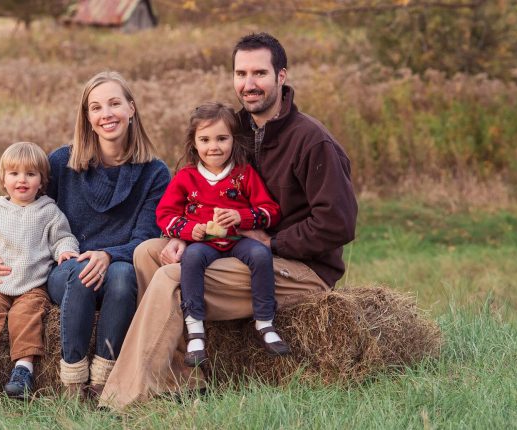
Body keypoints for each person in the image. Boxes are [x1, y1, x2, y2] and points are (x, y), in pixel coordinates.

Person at [100, 32, 358, 409]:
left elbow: (338, 224)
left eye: (259, 73)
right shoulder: (234, 129)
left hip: (298, 269)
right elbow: (195, 184)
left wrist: (273, 242)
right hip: (234, 248)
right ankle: (181, 379)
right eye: (240, 74)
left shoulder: (311, 141)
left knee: (172, 279)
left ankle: (126, 398)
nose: (248, 84)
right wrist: (186, 234)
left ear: (281, 76)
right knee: (147, 254)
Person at [0, 71, 171, 399]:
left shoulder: (154, 172)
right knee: (81, 273)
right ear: (87, 117)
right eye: (96, 107)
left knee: (124, 274)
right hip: (66, 268)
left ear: (131, 109)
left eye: (114, 104)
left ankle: (102, 380)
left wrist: (110, 254)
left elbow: (146, 237)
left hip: (119, 270)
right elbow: (24, 213)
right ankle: (72, 379)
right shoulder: (62, 162)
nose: (106, 114)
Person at [156, 101, 287, 367]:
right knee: (192, 259)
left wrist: (243, 217)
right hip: (204, 242)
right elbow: (164, 215)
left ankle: (265, 322)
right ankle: (195, 329)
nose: (213, 146)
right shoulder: (185, 178)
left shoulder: (243, 174)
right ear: (194, 143)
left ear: (233, 140)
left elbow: (271, 210)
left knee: (261, 254)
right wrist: (190, 230)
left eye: (221, 138)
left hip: (239, 240)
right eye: (204, 139)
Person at [0, 141, 79, 399]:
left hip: (33, 286)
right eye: (14, 173)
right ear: (3, 179)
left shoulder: (49, 212)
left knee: (25, 318)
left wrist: (66, 252)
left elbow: (62, 238)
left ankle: (23, 370)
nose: (21, 180)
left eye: (30, 174)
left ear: (42, 180)